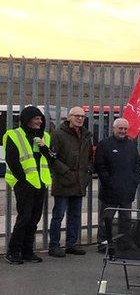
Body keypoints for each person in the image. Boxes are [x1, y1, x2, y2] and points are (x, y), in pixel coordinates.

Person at [4, 106, 55, 264]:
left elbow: (52, 157)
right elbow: (12, 161)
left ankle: (27, 251)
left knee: (34, 218)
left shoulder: (44, 136)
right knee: (24, 218)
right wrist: (23, 182)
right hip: (23, 183)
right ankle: (13, 251)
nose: (40, 121)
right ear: (27, 119)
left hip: (40, 183)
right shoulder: (14, 135)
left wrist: (43, 147)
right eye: (37, 118)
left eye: (41, 119)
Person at [48, 106, 92, 257]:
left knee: (75, 215)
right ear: (69, 117)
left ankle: (71, 243)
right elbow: (52, 158)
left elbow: (89, 158)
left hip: (79, 181)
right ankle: (54, 245)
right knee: (58, 215)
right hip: (63, 181)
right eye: (77, 116)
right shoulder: (58, 134)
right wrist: (65, 172)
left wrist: (88, 172)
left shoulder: (86, 135)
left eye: (82, 116)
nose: (80, 119)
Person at [93, 118, 140, 254]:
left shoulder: (131, 145)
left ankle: (124, 242)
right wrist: (108, 182)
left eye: (125, 129)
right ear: (114, 128)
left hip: (127, 191)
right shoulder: (104, 144)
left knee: (125, 219)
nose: (123, 131)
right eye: (120, 128)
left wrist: (134, 182)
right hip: (109, 191)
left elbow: (137, 165)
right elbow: (100, 166)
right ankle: (103, 243)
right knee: (106, 219)